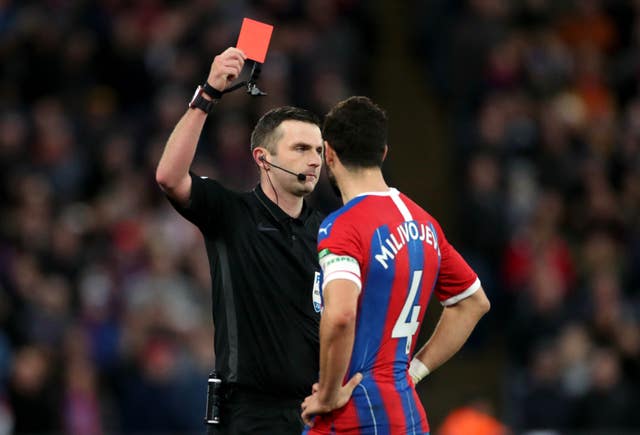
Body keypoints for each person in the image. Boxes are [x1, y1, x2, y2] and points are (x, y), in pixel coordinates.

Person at [156, 47, 325, 434]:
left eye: (318, 150)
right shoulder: (231, 214)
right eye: (300, 149)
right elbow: (169, 176)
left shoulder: (328, 232)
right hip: (250, 415)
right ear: (263, 158)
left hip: (314, 413)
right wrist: (208, 94)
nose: (313, 159)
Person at [300, 96, 491, 434]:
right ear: (384, 152)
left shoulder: (342, 226)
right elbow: (473, 302)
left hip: (354, 413)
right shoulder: (426, 225)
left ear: (328, 154)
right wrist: (415, 371)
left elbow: (341, 315)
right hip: (409, 413)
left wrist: (328, 394)